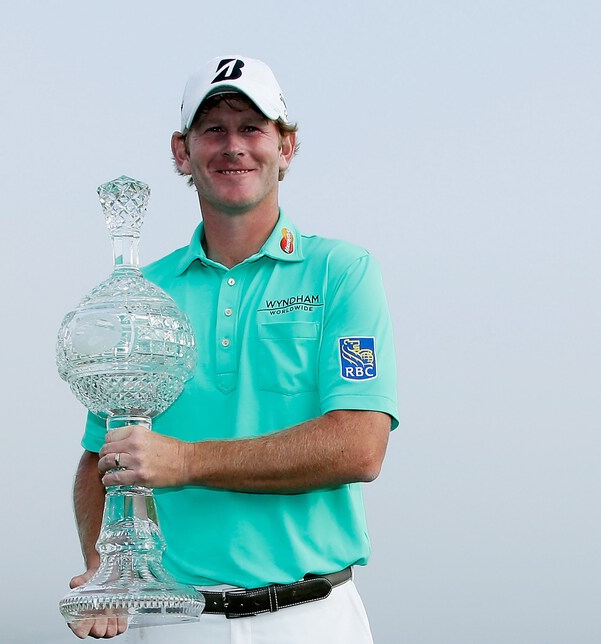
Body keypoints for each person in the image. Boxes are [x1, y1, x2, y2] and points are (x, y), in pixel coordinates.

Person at [67, 55, 400, 642]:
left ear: (287, 147)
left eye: (253, 128)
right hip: (175, 622)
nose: (234, 146)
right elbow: (104, 456)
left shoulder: (341, 272)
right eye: (213, 129)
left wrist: (187, 462)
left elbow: (359, 445)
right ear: (181, 151)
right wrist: (104, 571)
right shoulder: (144, 294)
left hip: (313, 617)